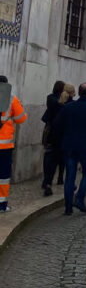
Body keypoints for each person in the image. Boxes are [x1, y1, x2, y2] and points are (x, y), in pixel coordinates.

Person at [53, 81, 86, 214]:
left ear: (79, 93)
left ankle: (68, 208)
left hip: (69, 146)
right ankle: (79, 198)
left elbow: (57, 125)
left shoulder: (68, 107)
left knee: (70, 176)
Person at [0, 75, 27, 212]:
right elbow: (21, 119)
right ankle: (2, 205)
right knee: (3, 176)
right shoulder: (11, 98)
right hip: (4, 147)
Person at [41, 80, 67, 195]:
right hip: (59, 133)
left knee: (48, 156)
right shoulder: (62, 104)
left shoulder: (50, 99)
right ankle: (57, 178)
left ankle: (46, 180)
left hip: (49, 131)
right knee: (59, 157)